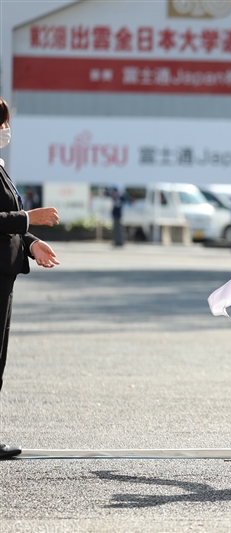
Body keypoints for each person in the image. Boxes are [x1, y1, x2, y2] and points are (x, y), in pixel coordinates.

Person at [0, 97, 60, 459]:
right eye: (0, 123)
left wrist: (32, 243)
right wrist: (28, 219)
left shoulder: (0, 166)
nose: (4, 130)